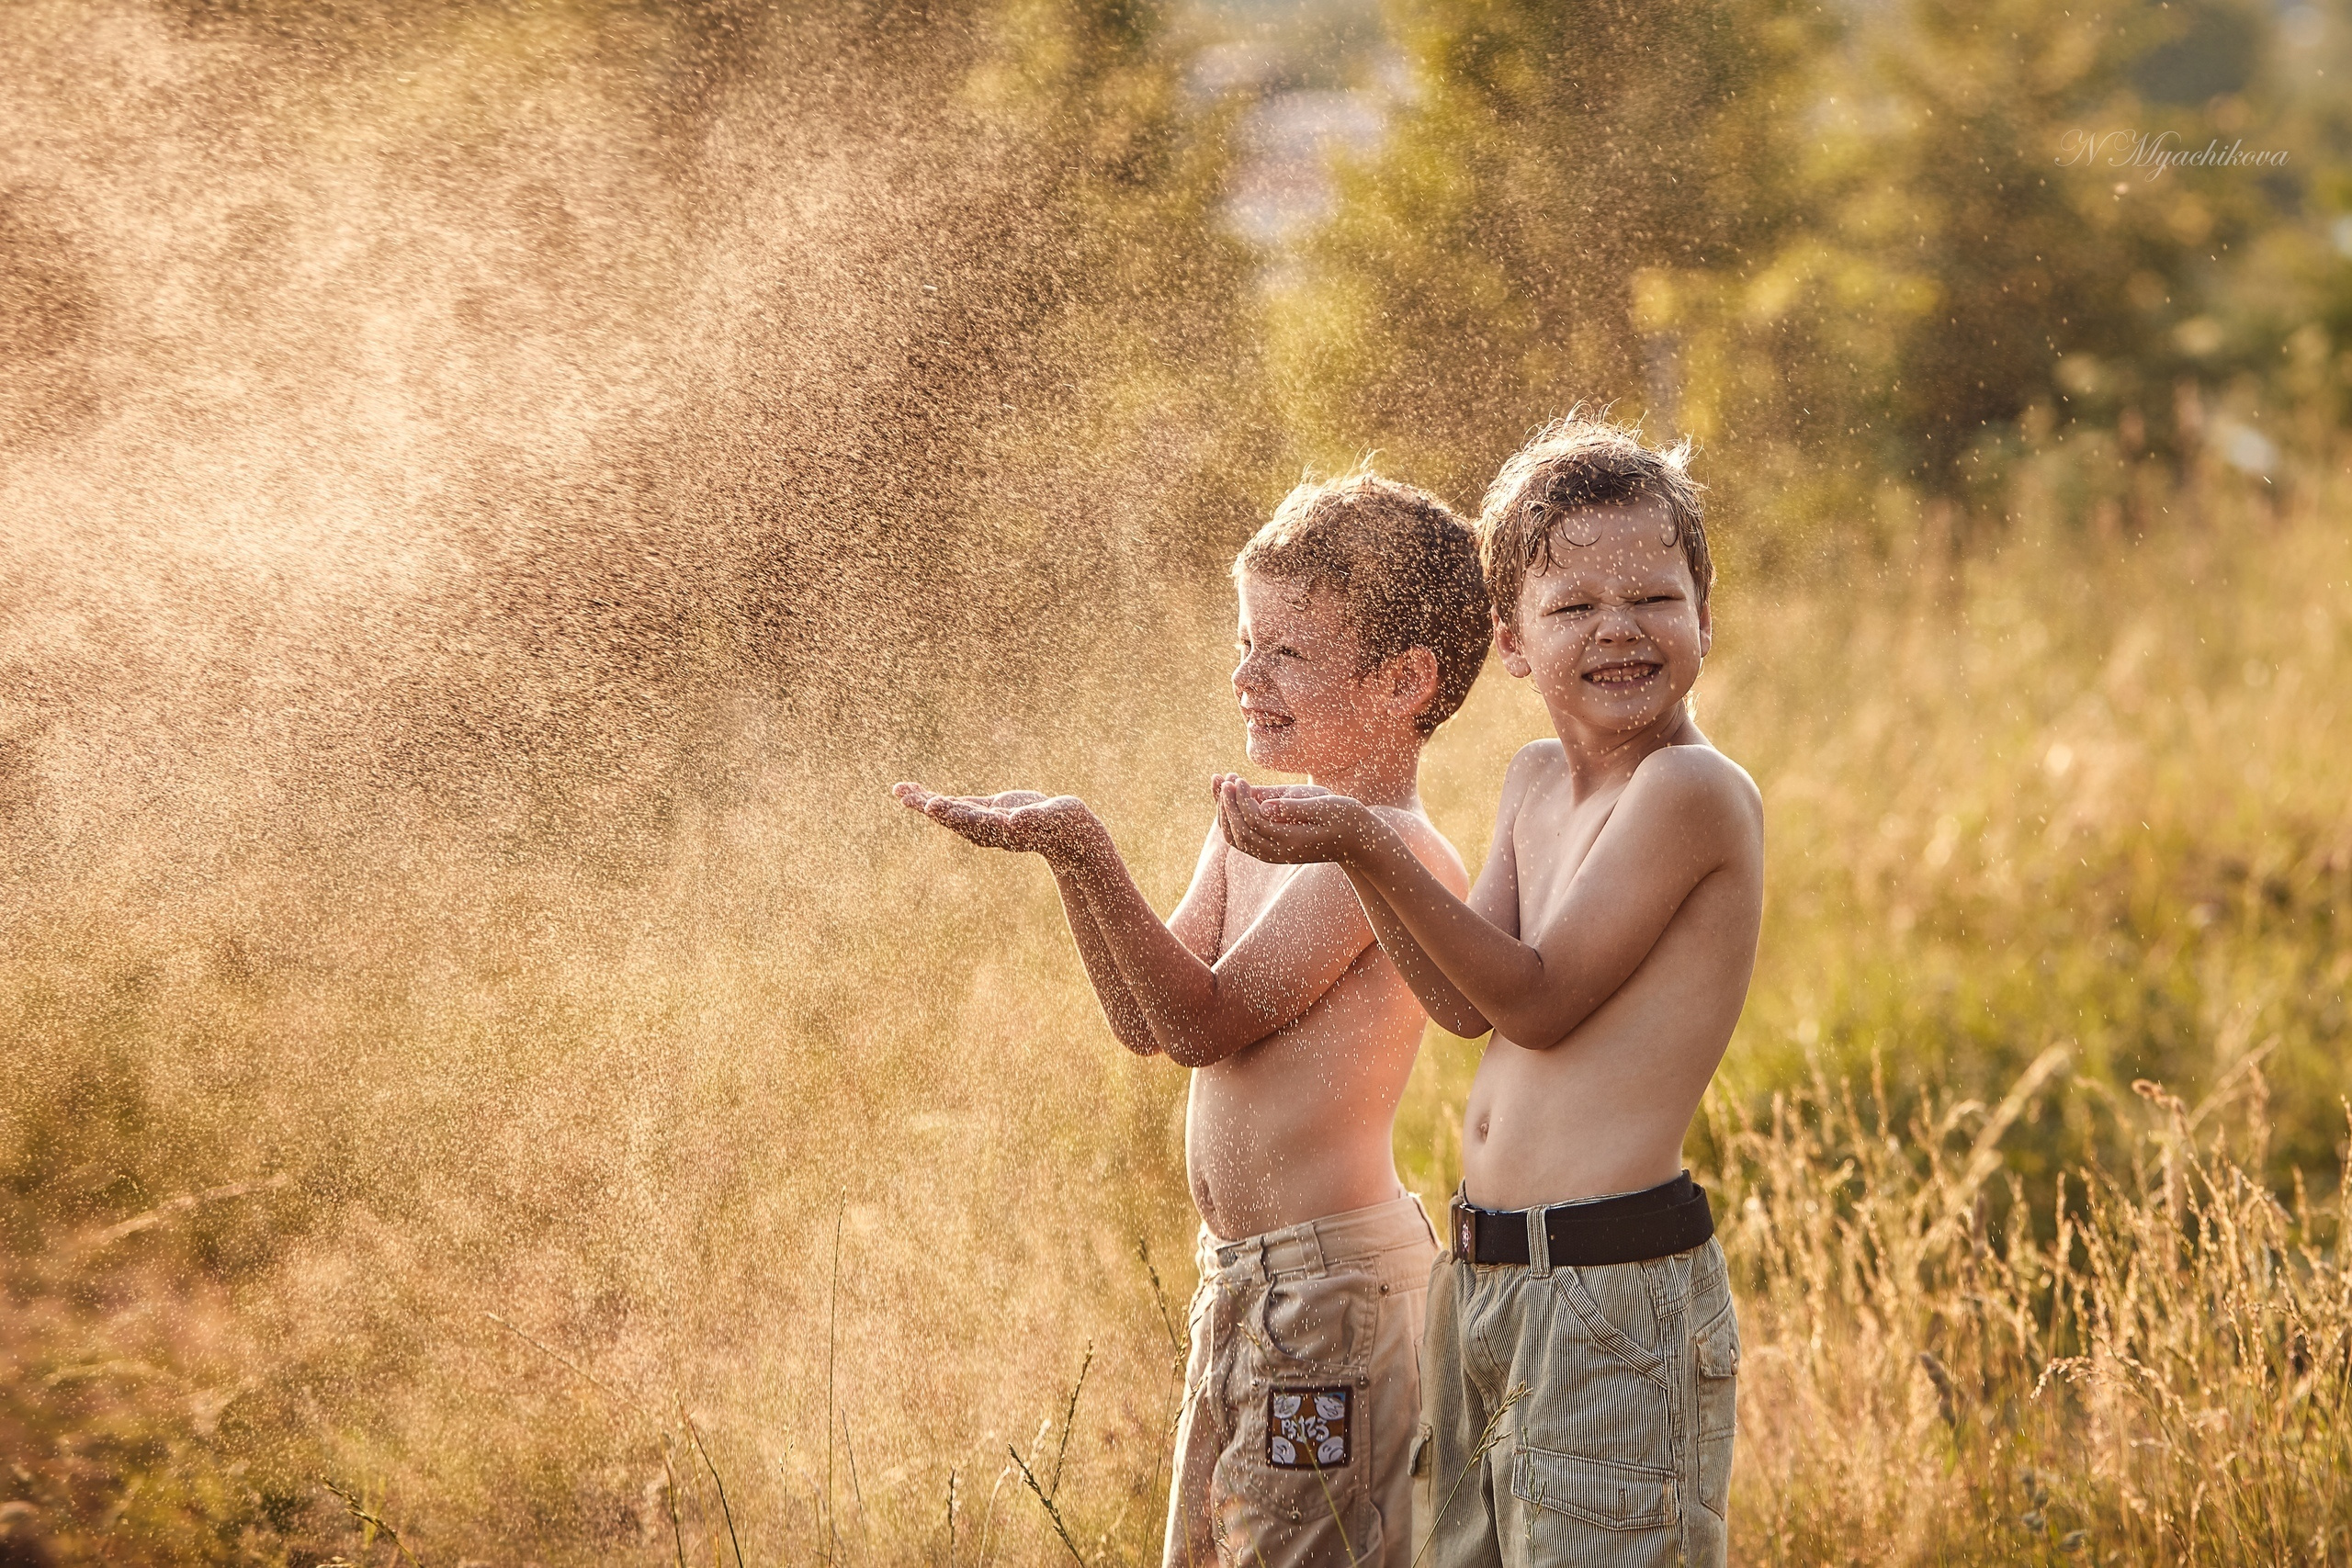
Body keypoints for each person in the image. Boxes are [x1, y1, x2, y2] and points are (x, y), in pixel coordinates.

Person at [894, 471, 1494, 1567]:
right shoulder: (1255, 827)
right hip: (1244, 1281)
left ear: (1405, 680)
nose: (1243, 676)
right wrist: (1064, 866)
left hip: (1329, 1303)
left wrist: (1086, 843)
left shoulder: (1377, 848)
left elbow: (1204, 1022)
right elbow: (1141, 1014)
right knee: (1215, 1548)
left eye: (1286, 653)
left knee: (1296, 1549)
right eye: (1243, 640)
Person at [1214, 414, 1765, 1568]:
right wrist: (1357, 856)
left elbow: (1540, 1000)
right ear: (1511, 642)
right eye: (1572, 608)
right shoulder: (1531, 782)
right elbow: (1463, 1004)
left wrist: (1365, 848)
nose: (1618, 629)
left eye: (1654, 598)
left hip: (1611, 1289)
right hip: (1489, 1280)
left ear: (1705, 616)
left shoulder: (1691, 792)